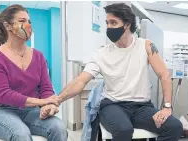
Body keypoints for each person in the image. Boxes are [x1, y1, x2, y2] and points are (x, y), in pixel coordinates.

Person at [44, 3, 183, 141]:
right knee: (124, 130)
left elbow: (164, 75)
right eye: (107, 23)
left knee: (175, 126)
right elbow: (81, 80)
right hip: (113, 106)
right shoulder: (102, 54)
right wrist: (58, 99)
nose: (109, 27)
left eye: (113, 22)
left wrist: (166, 107)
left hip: (142, 107)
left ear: (127, 24)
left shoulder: (145, 46)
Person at [0, 4, 67, 141]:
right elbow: (4, 94)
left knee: (59, 128)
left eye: (29, 21)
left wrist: (48, 105)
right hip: (2, 110)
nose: (28, 25)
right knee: (21, 134)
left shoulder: (38, 56)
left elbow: (45, 88)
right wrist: (41, 101)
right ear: (8, 26)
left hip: (30, 111)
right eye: (22, 21)